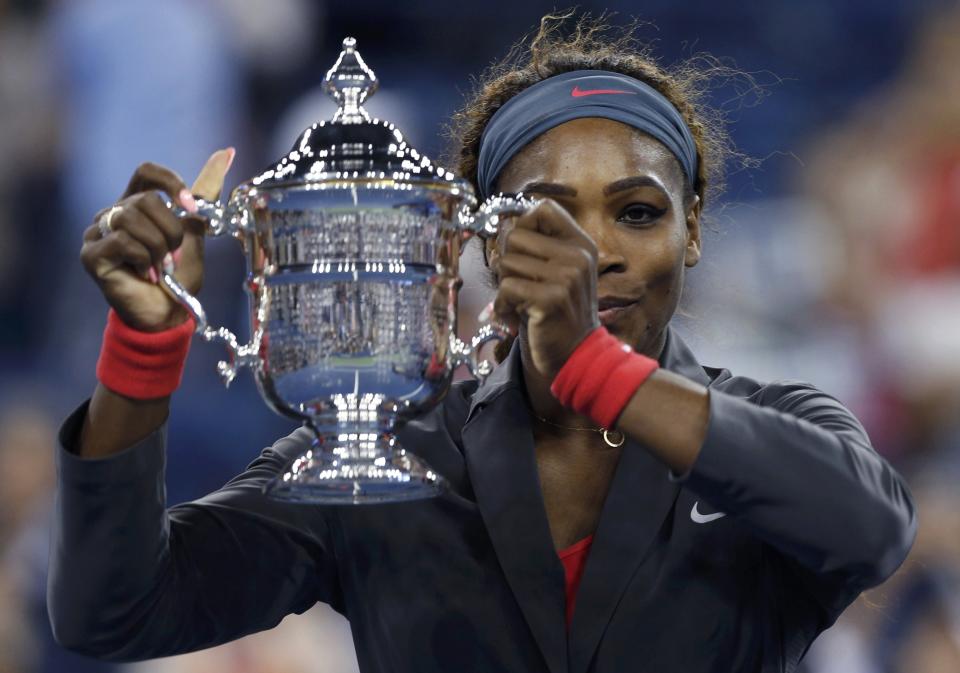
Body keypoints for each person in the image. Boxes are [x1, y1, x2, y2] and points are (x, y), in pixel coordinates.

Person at [47, 14, 917, 673]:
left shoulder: (778, 427)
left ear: (693, 233)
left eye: (639, 212)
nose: (596, 250)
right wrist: (143, 349)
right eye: (547, 216)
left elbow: (871, 529)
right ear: (483, 243)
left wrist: (593, 370)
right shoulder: (380, 454)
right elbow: (113, 613)